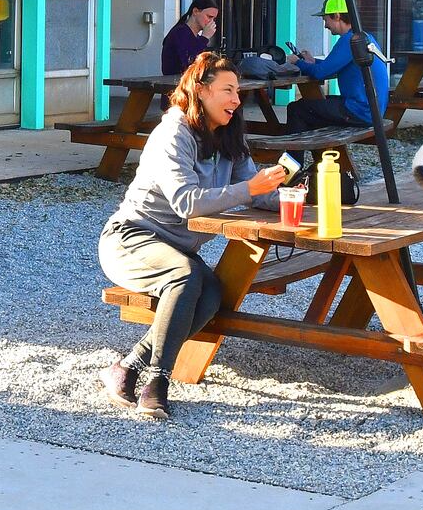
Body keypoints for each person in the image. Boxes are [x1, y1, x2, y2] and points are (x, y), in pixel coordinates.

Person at [98, 52, 287, 420]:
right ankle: (157, 382)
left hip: (176, 250)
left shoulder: (228, 134)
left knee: (214, 293)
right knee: (184, 278)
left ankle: (127, 366)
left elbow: (258, 192)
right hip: (131, 238)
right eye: (227, 90)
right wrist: (249, 188)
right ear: (200, 91)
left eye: (238, 90)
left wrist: (297, 197)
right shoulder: (174, 133)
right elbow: (187, 202)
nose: (236, 99)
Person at [284, 0, 390, 133]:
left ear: (337, 16)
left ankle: (294, 155)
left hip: (360, 112)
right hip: (370, 109)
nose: (325, 26)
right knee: (313, 102)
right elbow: (336, 66)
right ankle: (319, 151)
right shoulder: (363, 37)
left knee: (297, 109)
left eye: (325, 19)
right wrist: (313, 61)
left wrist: (297, 61)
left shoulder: (349, 41)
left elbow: (320, 73)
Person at [161, 0, 218, 76]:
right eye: (209, 17)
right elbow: (189, 62)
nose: (211, 22)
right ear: (195, 11)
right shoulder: (180, 32)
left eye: (214, 19)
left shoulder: (194, 36)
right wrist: (204, 37)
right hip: (176, 82)